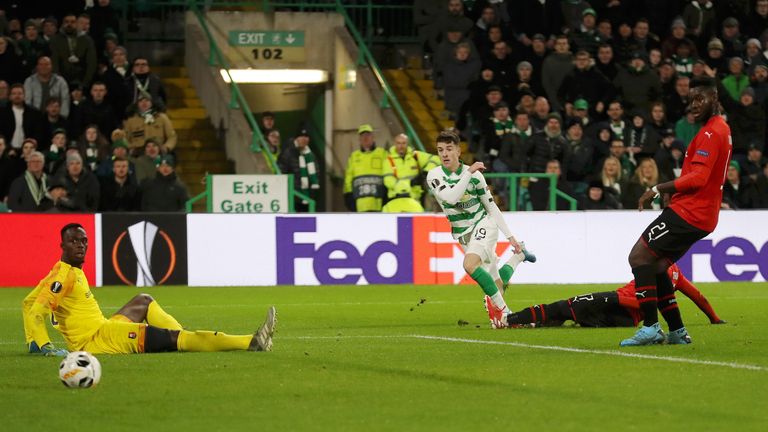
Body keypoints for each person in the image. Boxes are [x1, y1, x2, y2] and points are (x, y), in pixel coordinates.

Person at [23, 223, 276, 356]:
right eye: (73, 241)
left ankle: (182, 336)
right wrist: (45, 347)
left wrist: (31, 342)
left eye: (84, 240)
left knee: (143, 300)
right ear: (62, 245)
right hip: (98, 342)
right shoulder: (64, 276)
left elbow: (26, 303)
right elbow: (37, 311)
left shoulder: (64, 270)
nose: (80, 245)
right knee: (181, 341)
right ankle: (252, 342)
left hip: (103, 329)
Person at [620, 77, 732, 347]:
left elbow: (698, 178)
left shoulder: (710, 133)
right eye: (691, 100)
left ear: (714, 98)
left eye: (700, 99)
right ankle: (678, 331)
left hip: (690, 212)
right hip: (703, 216)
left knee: (638, 257)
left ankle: (650, 327)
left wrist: (658, 187)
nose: (694, 105)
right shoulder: (720, 128)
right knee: (658, 266)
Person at [426, 130, 536, 329]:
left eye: (449, 149)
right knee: (497, 287)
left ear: (459, 151)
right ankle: (517, 257)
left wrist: (509, 236)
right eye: (440, 150)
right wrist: (468, 173)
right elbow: (450, 198)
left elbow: (491, 207)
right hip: (464, 234)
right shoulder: (434, 176)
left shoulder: (475, 176)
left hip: (484, 225)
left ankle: (507, 315)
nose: (444, 154)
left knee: (469, 264)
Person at [504, 264, 725, 328]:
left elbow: (642, 298)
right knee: (572, 314)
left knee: (566, 306)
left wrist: (616, 298)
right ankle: (534, 323)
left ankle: (510, 319)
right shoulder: (676, 274)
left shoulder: (649, 264)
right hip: (625, 318)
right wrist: (714, 318)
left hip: (618, 304)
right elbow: (699, 297)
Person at [343, 124, 387, 212]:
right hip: (360, 206)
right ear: (359, 140)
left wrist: (387, 197)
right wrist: (348, 196)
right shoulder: (354, 156)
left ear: (373, 137)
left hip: (379, 204)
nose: (365, 138)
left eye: (368, 135)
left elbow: (388, 175)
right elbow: (348, 178)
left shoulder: (383, 154)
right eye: (362, 136)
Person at [383, 133, 439, 202]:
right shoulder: (388, 160)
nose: (401, 146)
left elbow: (436, 159)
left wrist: (426, 172)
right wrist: (409, 183)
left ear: (407, 144)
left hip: (416, 198)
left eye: (404, 143)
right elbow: (388, 181)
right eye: (398, 143)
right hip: (397, 197)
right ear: (395, 144)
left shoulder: (415, 155)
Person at [277, 128, 319, 212]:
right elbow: (281, 173)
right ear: (296, 138)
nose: (304, 139)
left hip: (308, 195)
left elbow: (316, 172)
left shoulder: (310, 154)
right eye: (301, 136)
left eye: (306, 137)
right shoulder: (288, 153)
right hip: (293, 196)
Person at [49, 13, 97, 87]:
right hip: (61, 82)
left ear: (77, 23)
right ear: (62, 24)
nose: (69, 24)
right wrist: (59, 83)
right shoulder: (55, 40)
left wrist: (85, 84)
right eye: (66, 22)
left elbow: (91, 63)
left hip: (82, 81)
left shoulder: (87, 40)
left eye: (72, 22)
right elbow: (54, 63)